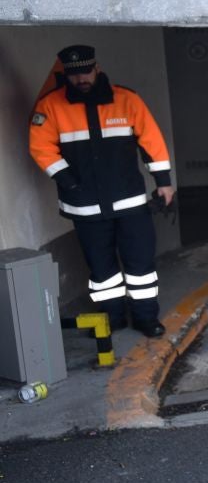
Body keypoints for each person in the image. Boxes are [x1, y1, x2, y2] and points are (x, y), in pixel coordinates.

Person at [28, 44, 174, 337]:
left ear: (97, 68)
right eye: (74, 74)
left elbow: (152, 141)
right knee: (101, 268)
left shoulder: (127, 100)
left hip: (130, 202)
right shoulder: (51, 105)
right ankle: (112, 318)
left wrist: (163, 182)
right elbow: (40, 147)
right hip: (85, 206)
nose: (81, 79)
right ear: (66, 74)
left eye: (85, 71)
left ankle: (146, 318)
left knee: (140, 264)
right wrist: (68, 180)